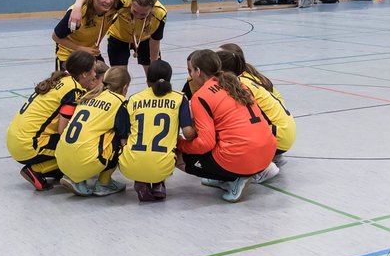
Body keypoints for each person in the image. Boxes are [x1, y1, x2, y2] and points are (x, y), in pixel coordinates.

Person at [177, 50, 279, 203]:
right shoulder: (238, 84)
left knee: (179, 157)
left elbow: (206, 143)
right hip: (268, 153)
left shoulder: (201, 96)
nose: (190, 75)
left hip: (242, 157)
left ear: (198, 71)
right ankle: (229, 176)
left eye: (190, 70)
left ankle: (235, 178)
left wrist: (180, 144)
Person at [6, 50, 99, 190]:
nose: (94, 75)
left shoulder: (62, 79)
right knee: (79, 148)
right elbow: (63, 130)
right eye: (93, 71)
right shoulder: (73, 89)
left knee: (65, 165)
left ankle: (52, 167)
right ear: (84, 74)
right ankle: (36, 170)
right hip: (29, 145)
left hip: (15, 139)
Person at [115, 60, 196, 202]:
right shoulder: (179, 98)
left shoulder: (133, 99)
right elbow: (188, 133)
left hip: (129, 165)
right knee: (174, 146)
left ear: (147, 81)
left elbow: (123, 132)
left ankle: (141, 180)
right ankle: (158, 182)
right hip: (163, 164)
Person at [57, 66, 131, 197]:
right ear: (125, 87)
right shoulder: (120, 101)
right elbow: (123, 136)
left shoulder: (89, 95)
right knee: (117, 136)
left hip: (61, 159)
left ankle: (77, 178)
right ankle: (104, 183)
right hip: (84, 161)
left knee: (93, 133)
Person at [216, 48, 295, 163]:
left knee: (226, 126)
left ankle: (259, 167)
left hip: (278, 136)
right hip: (286, 130)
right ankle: (270, 156)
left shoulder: (236, 85)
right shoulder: (249, 76)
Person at [69, 0, 166, 69]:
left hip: (145, 40)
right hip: (118, 38)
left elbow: (155, 40)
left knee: (154, 77)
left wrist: (154, 64)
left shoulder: (160, 13)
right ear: (131, 2)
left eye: (143, 14)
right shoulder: (122, 0)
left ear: (152, 8)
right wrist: (77, 7)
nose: (138, 16)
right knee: (119, 80)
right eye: (135, 11)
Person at [52, 0, 117, 69]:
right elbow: (56, 37)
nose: (108, 1)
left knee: (108, 79)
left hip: (90, 53)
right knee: (70, 83)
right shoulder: (77, 14)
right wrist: (81, 49)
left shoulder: (115, 6)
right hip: (69, 55)